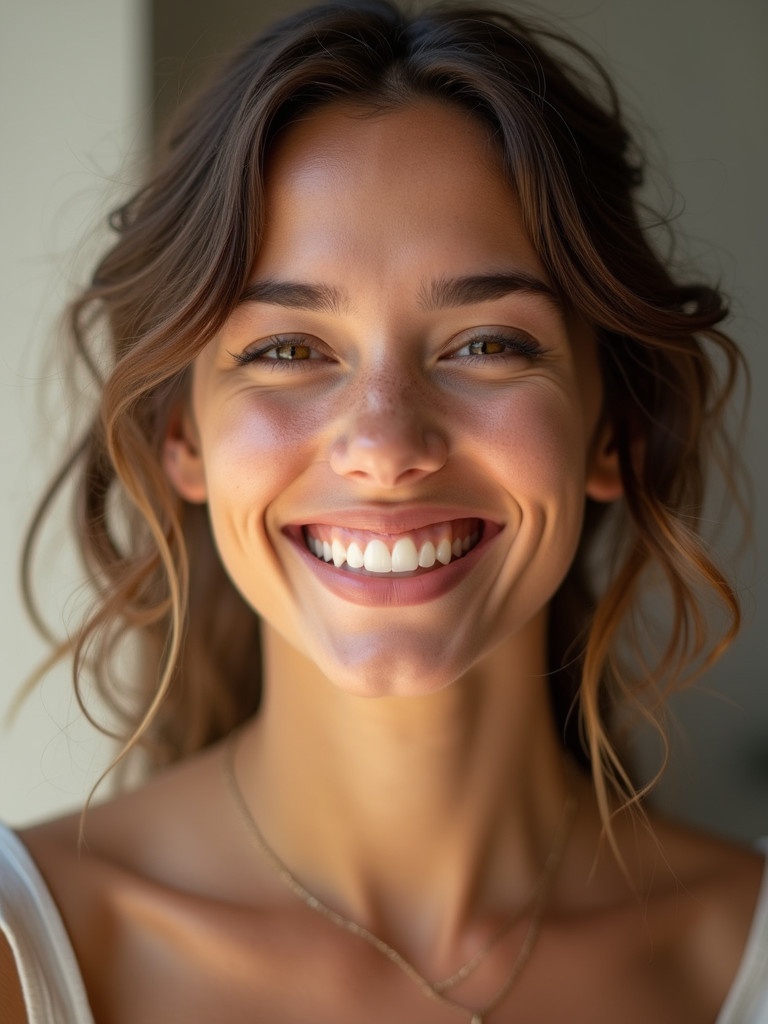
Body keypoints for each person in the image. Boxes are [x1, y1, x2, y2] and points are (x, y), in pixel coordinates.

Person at [1, 2, 766, 1021]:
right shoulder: (30, 953)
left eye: (486, 343)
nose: (386, 444)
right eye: (287, 349)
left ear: (611, 429)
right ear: (181, 438)